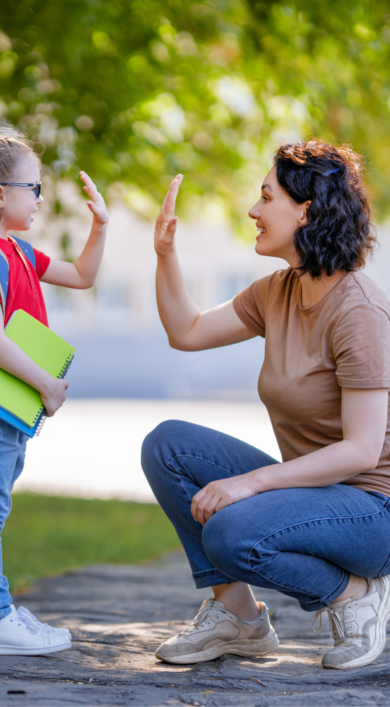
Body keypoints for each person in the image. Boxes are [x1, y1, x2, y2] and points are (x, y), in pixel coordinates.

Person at [141, 139, 390, 670]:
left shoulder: (360, 311)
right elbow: (186, 331)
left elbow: (362, 451)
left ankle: (355, 597)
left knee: (231, 531)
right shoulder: (277, 292)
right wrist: (165, 255)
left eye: (265, 197)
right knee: (167, 445)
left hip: (373, 512)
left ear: (306, 209)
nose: (253, 211)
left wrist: (249, 483)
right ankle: (238, 617)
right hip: (312, 495)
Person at [0, 129, 109, 656]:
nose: (39, 197)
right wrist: (47, 385)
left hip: (9, 406)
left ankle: (2, 611)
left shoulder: (19, 251)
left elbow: (82, 275)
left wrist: (100, 226)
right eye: (32, 188)